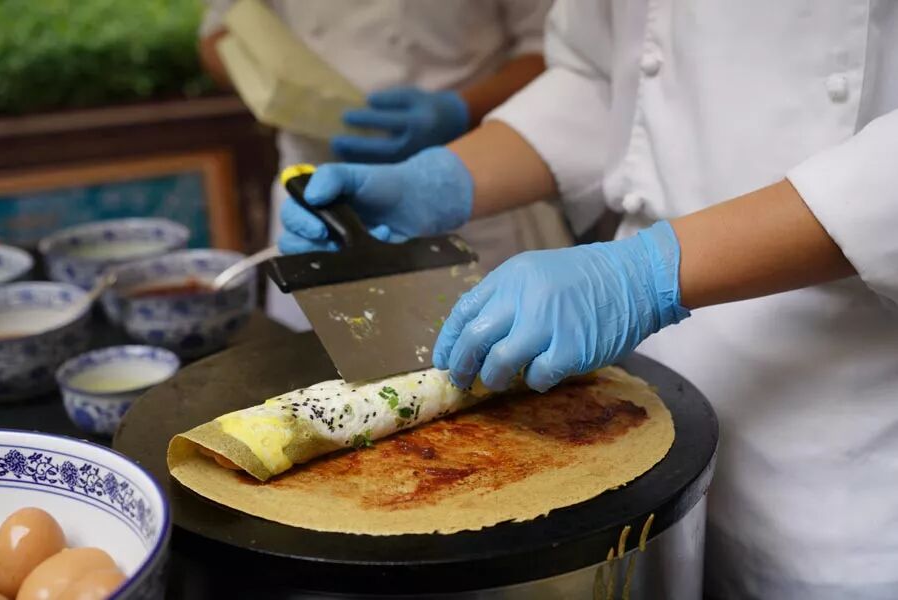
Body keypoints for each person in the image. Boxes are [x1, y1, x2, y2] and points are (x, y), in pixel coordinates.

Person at [278, 1, 898, 598]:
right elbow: (602, 81)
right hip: (638, 404)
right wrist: (438, 179)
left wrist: (644, 273)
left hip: (833, 446)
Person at [198, 0, 571, 331]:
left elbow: (555, 53)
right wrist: (280, 88)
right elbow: (219, 31)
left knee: (497, 362)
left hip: (481, 181)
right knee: (306, 369)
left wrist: (459, 111)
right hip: (311, 183)